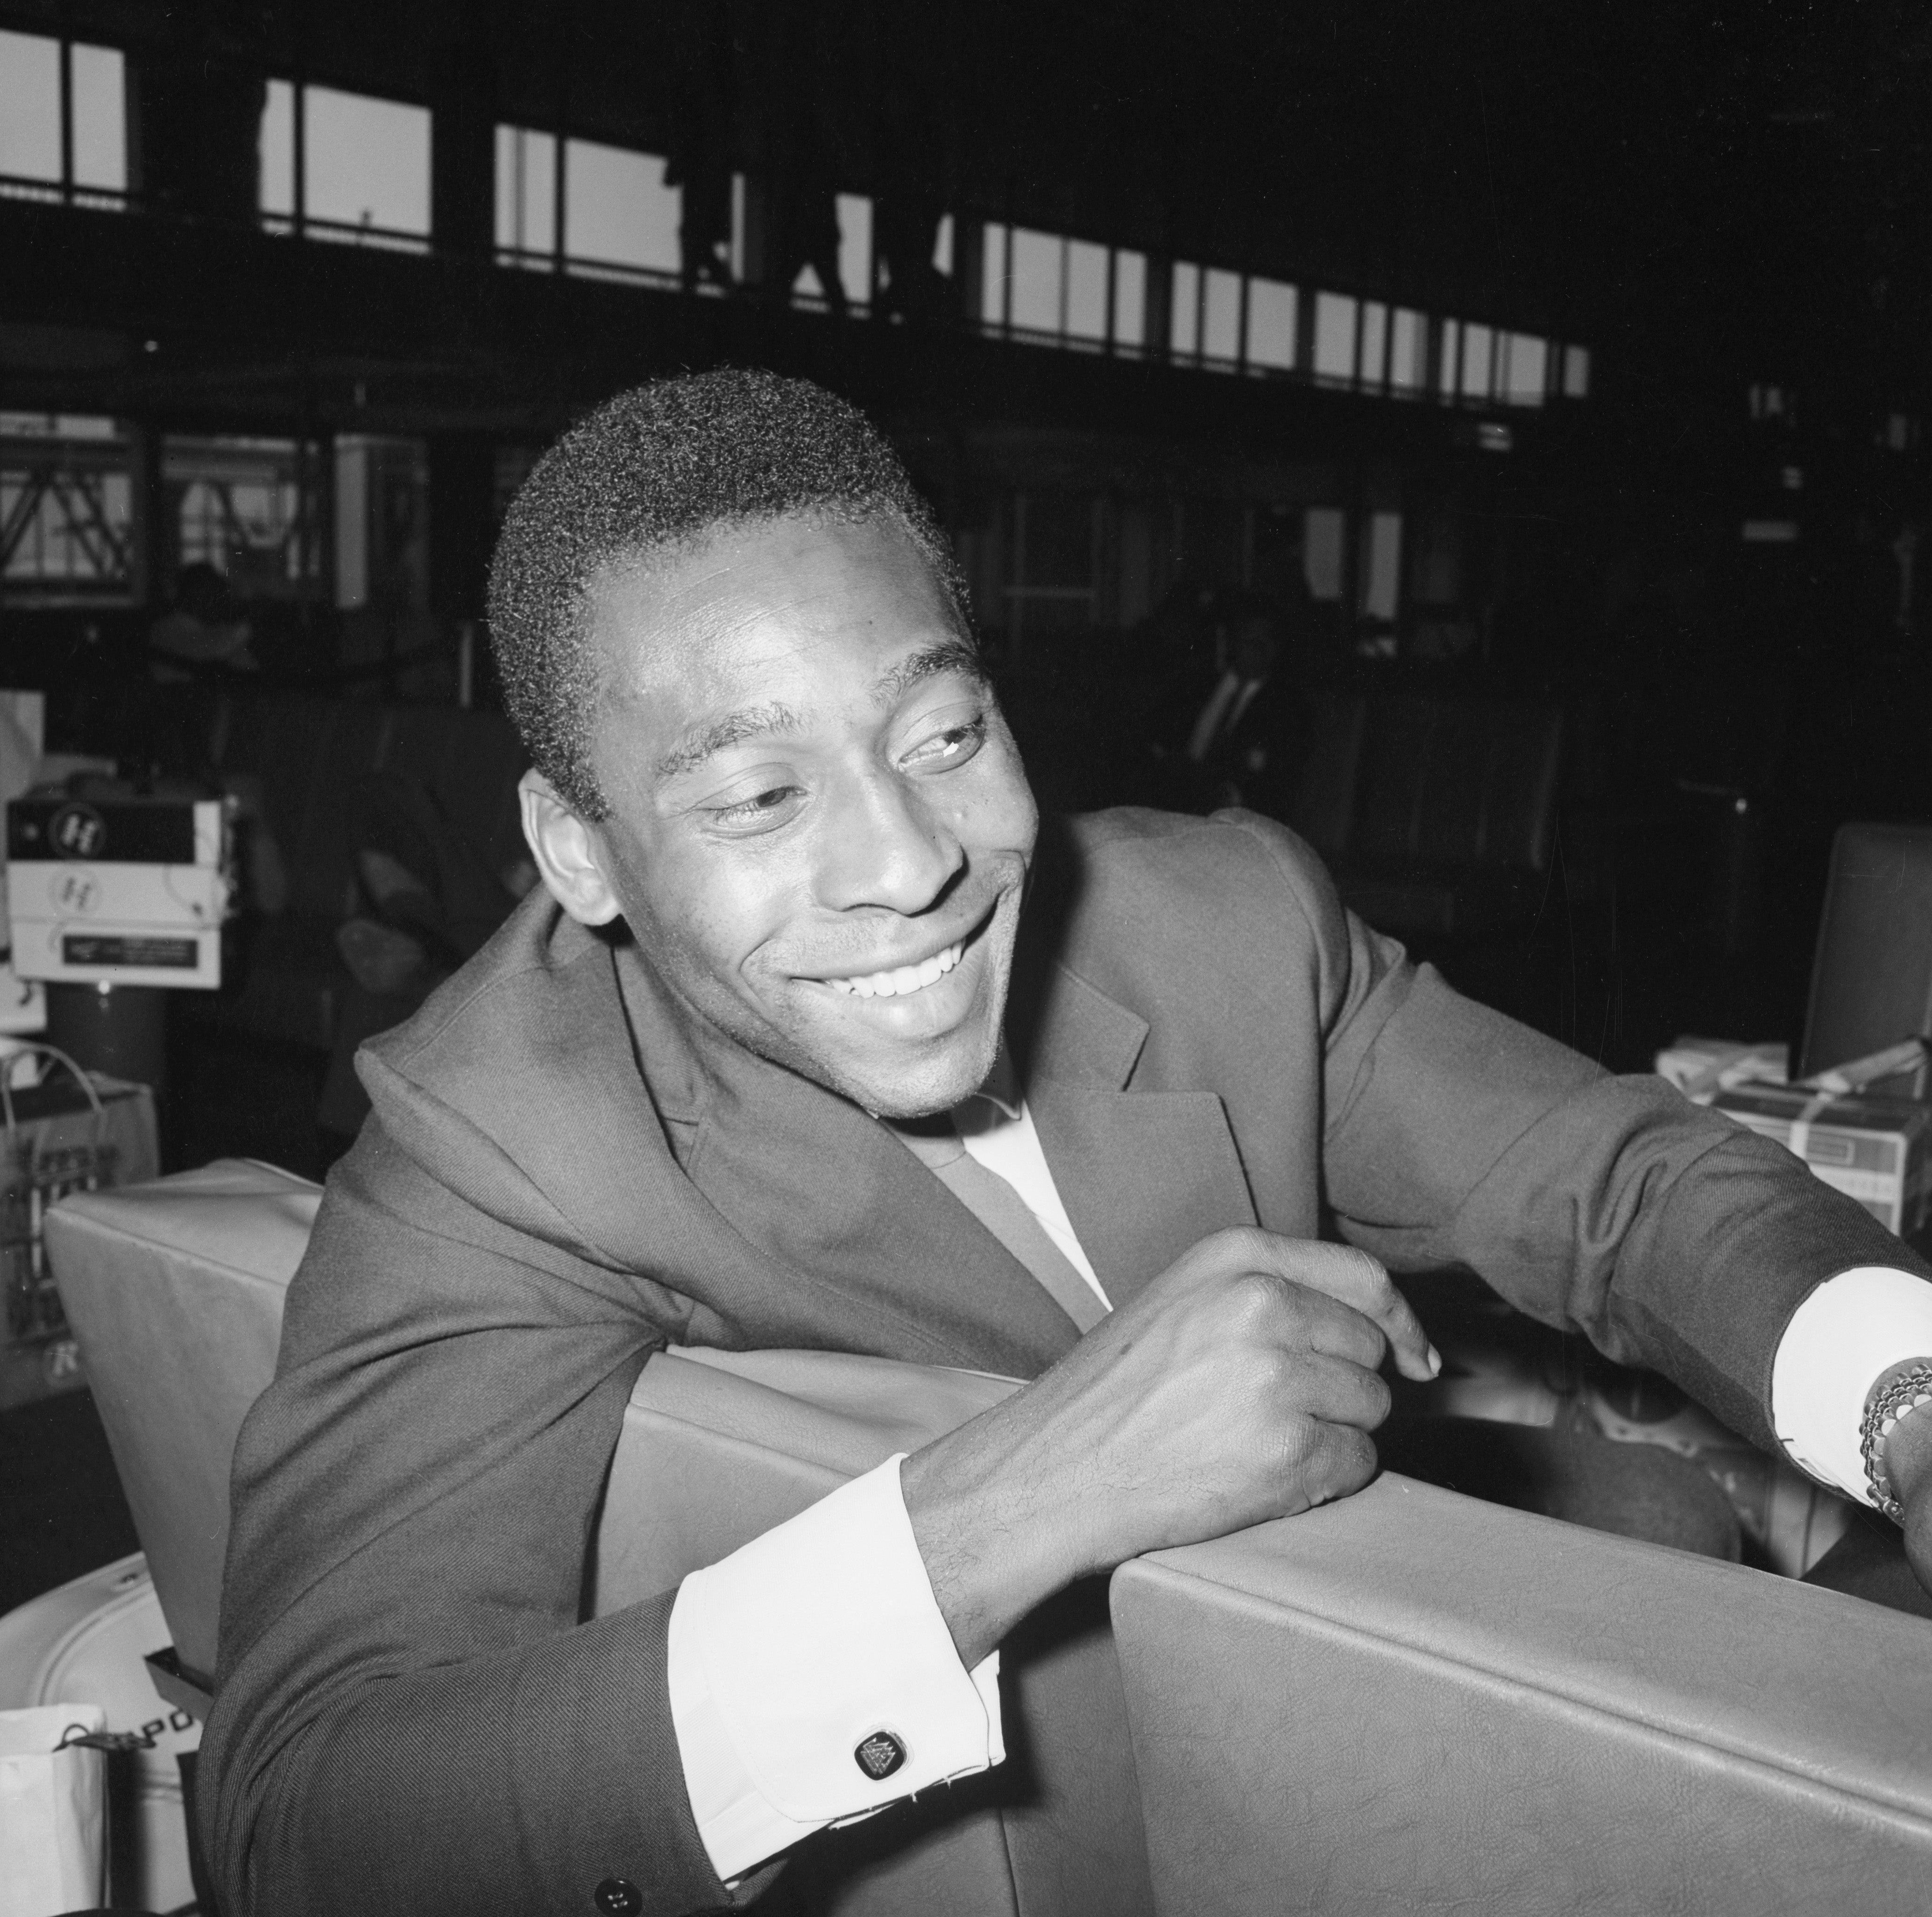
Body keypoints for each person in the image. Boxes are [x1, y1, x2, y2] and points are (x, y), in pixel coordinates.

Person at [200, 371, 1932, 1917]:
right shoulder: (498, 1137)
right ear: (575, 851)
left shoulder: (1224, 918)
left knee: (1675, 1524)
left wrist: (1912, 1406)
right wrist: (1011, 1497)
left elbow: (1618, 1182)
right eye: (754, 797)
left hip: (1388, 1708)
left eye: (944, 736)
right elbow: (298, 1818)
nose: (909, 861)